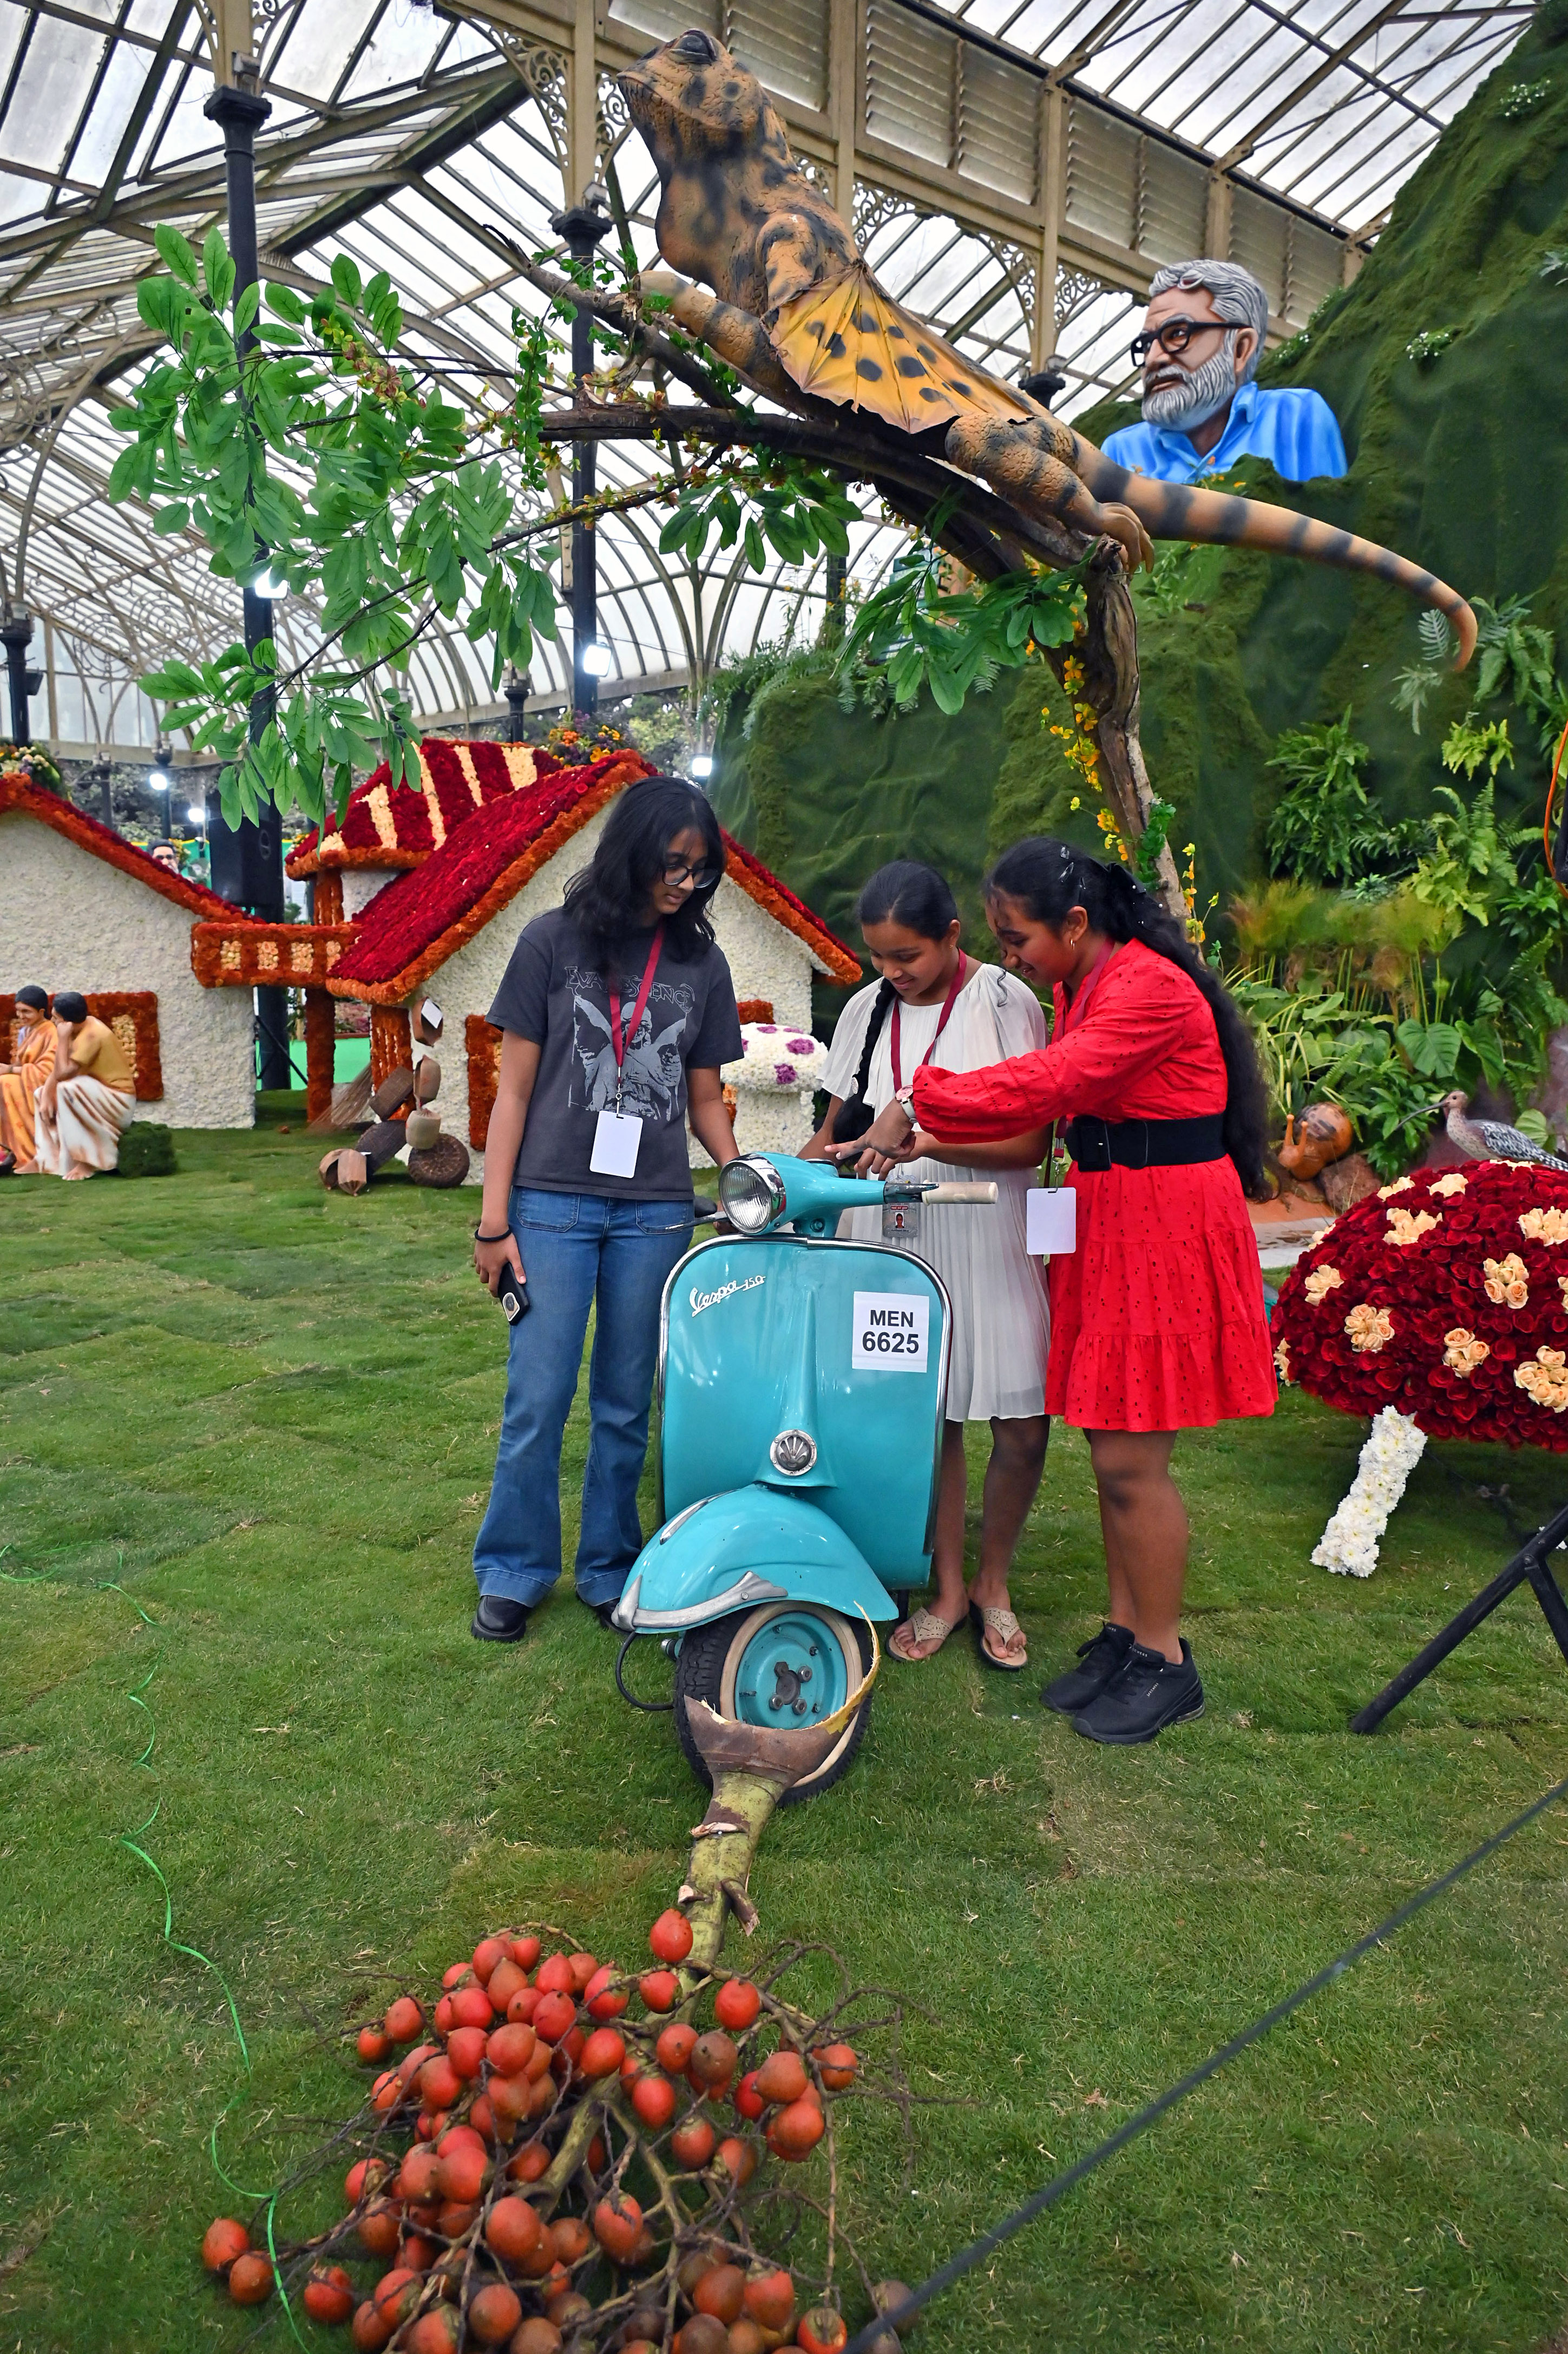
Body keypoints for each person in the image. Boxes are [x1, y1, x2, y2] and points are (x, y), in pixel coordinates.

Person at [836, 839, 1275, 1745]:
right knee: (1111, 1450)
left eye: (1016, 935)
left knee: (1127, 1463)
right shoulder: (1088, 982)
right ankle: (1124, 1634)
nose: (1009, 956)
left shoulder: (1144, 986)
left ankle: (1163, 1656)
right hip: (1111, 1216)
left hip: (1160, 1221)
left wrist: (917, 1102)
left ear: (1075, 923)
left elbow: (1051, 1082)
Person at [470, 776, 744, 1643]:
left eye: (701, 872)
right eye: (672, 863)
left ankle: (610, 1566)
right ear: (632, 850)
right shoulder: (551, 942)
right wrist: (494, 1218)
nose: (685, 884)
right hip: (549, 1207)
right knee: (539, 1396)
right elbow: (511, 1095)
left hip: (654, 1214)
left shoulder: (703, 963)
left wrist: (741, 1178)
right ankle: (513, 1568)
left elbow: (704, 1100)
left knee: (627, 1400)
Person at [804, 861, 1051, 1671]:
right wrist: (780, 1185)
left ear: (953, 934)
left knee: (1020, 1420)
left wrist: (926, 1142)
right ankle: (946, 1588)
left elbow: (1028, 1144)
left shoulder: (1006, 1002)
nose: (892, 973)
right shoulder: (866, 1009)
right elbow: (833, 1129)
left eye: (907, 955)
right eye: (878, 957)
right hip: (893, 1238)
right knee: (929, 1415)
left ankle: (994, 1582)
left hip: (990, 1228)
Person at [1103, 260, 1347, 486]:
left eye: (1177, 334)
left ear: (1240, 349)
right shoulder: (1120, 452)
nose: (1153, 358)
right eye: (1147, 344)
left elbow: (1332, 526)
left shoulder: (1296, 418)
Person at [34, 993, 135, 1179]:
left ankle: (87, 1162)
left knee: (68, 1089)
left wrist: (62, 1039)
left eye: (55, 1018)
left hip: (118, 1100)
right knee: (40, 1093)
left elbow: (63, 1074)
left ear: (68, 1022)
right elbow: (58, 1074)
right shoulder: (78, 1030)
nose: (53, 1022)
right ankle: (51, 1159)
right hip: (94, 1093)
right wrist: (47, 1094)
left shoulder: (92, 1035)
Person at [0, 986, 57, 1174]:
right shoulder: (28, 1031)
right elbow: (22, 1061)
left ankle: (30, 1152)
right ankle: (8, 1150)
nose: (21, 1016)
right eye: (18, 1011)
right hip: (26, 1082)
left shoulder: (51, 1032)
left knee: (6, 1083)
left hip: (42, 1087)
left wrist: (10, 1070)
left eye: (26, 1011)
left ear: (42, 1012)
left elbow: (49, 1070)